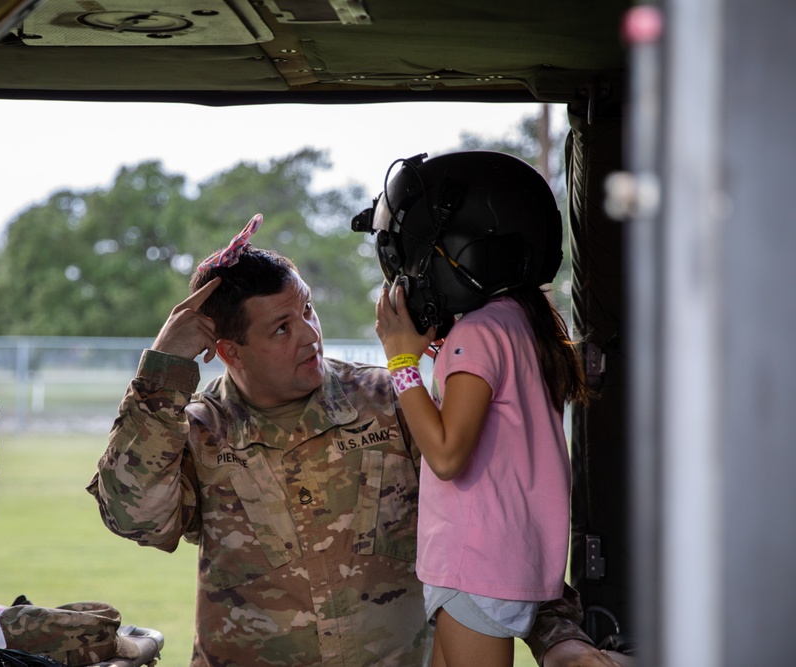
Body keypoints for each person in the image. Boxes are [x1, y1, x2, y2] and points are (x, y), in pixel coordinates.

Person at [87, 212, 621, 666]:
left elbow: (495, 526)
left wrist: (560, 639)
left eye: (309, 311)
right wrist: (162, 372)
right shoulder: (199, 430)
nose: (310, 336)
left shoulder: (389, 401)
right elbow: (134, 518)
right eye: (281, 329)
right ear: (230, 351)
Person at [369, 150, 591, 667]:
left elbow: (447, 454)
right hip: (504, 560)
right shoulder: (522, 323)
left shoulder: (479, 331)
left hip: (475, 562)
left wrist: (401, 359)